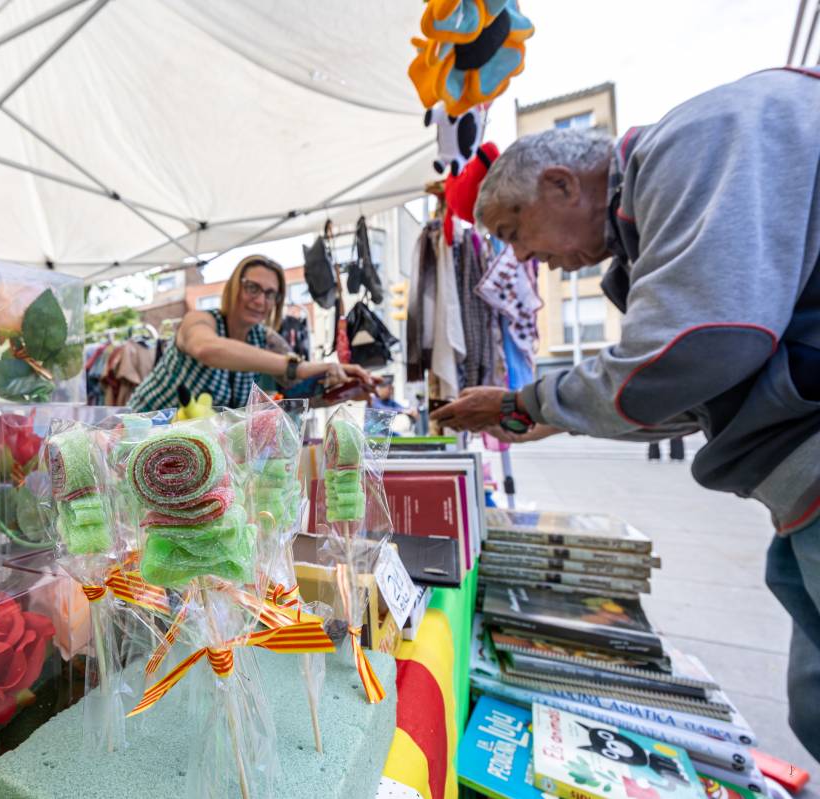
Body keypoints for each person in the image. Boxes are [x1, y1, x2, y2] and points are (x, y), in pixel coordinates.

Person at [431, 68, 820, 756]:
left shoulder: (694, 142)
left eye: (515, 232)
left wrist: (524, 401)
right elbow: (687, 389)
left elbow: (697, 347)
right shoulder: (659, 207)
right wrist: (527, 414)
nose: (525, 259)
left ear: (560, 183)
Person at [128, 255, 374, 412]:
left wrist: (346, 387)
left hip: (188, 456)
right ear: (234, 286)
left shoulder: (266, 340)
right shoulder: (200, 320)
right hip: (139, 433)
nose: (260, 300)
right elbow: (206, 348)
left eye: (270, 294)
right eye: (252, 288)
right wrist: (298, 367)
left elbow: (295, 393)